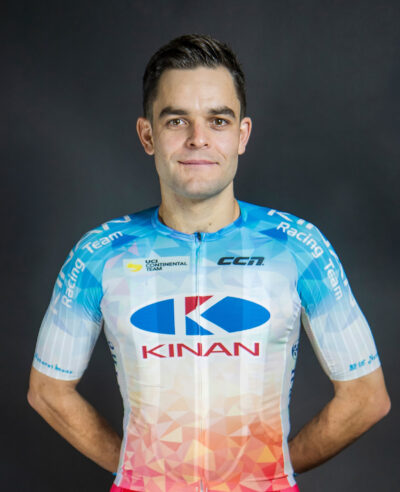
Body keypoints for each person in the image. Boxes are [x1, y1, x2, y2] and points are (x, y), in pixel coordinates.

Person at [28, 34, 390, 492]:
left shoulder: (298, 246)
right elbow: (47, 390)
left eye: (218, 120)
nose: (198, 138)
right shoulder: (101, 252)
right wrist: (135, 470)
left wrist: (271, 470)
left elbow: (366, 397)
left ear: (242, 135)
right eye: (177, 120)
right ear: (147, 135)